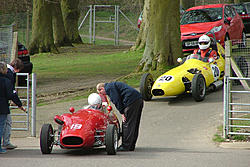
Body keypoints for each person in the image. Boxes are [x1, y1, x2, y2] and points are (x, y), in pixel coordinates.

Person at [97, 82, 144, 151]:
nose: (104, 95)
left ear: (101, 89)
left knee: (127, 123)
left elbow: (117, 100)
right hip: (138, 99)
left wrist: (122, 113)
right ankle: (131, 145)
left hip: (131, 101)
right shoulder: (113, 85)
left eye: (101, 93)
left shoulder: (109, 88)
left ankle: (126, 146)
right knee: (134, 123)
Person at [0, 62, 24, 153]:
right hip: (2, 107)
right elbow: (11, 94)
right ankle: (3, 144)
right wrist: (19, 104)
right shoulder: (6, 80)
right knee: (1, 126)